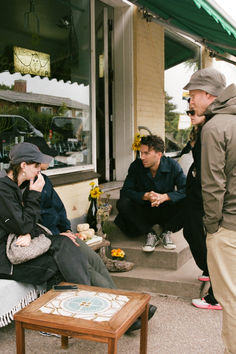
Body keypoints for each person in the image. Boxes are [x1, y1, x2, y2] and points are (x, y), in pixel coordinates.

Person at [26, 137, 157, 332]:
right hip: (49, 241)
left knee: (95, 261)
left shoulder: (44, 180)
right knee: (86, 269)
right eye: (45, 156)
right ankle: (123, 315)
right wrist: (60, 235)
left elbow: (59, 210)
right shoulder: (23, 187)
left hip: (62, 236)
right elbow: (31, 222)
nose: (50, 160)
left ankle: (124, 307)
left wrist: (67, 230)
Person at [184, 67, 236, 353]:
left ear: (207, 94)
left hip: (228, 226)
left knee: (231, 301)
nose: (190, 102)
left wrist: (212, 227)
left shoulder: (215, 127)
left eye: (192, 95)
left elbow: (213, 185)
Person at [115, 135, 186, 252]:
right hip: (143, 211)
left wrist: (165, 197)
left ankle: (166, 232)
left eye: (146, 153)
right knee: (123, 203)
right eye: (140, 153)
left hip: (166, 210)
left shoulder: (173, 165)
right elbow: (125, 191)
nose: (142, 157)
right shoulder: (136, 166)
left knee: (190, 201)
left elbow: (186, 189)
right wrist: (145, 196)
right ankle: (150, 233)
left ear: (159, 154)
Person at [181, 108, 221, 310]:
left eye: (193, 111)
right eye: (188, 111)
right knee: (192, 231)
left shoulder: (211, 132)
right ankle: (208, 269)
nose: (190, 114)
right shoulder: (199, 131)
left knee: (212, 240)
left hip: (207, 193)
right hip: (197, 190)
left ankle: (216, 296)